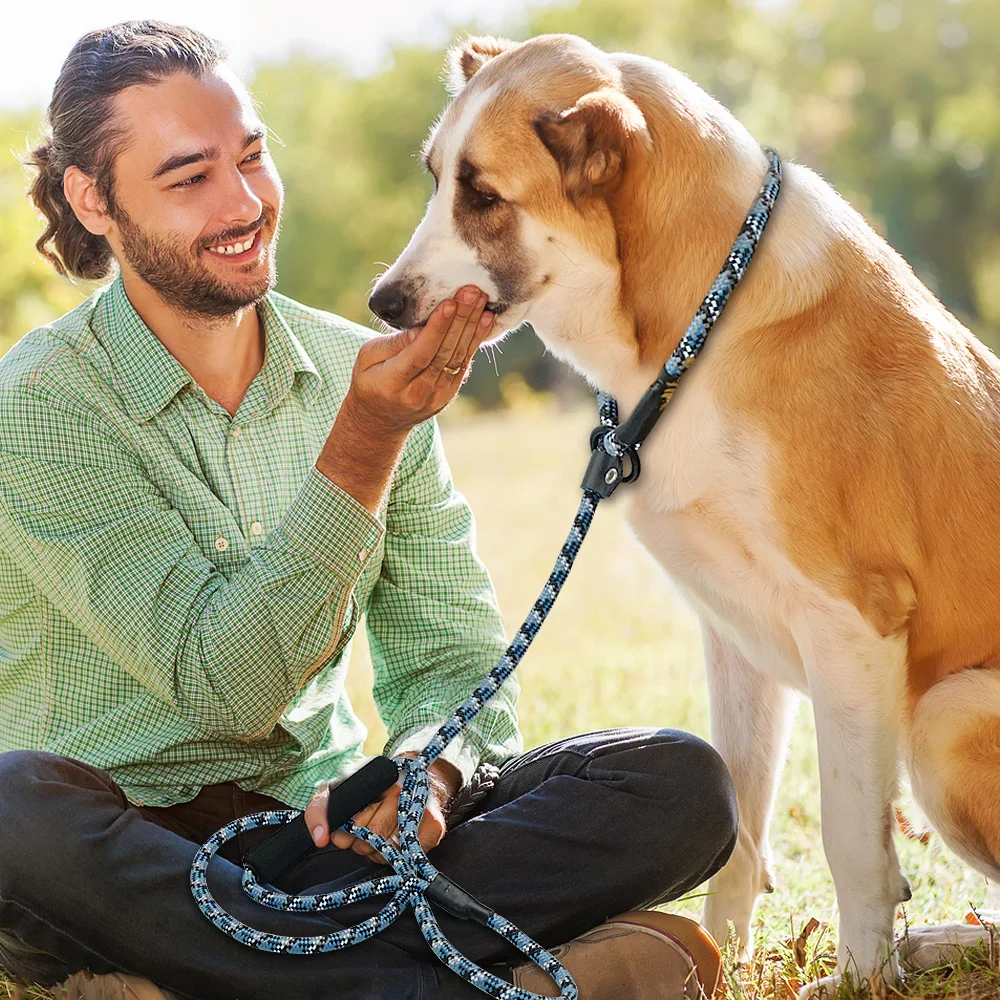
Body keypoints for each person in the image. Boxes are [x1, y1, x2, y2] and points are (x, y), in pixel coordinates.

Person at [0, 20, 738, 1000]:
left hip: (323, 838)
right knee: (11, 809)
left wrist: (426, 772)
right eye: (189, 179)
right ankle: (445, 978)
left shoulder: (356, 368)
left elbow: (448, 663)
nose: (244, 204)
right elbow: (225, 687)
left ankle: (228, 981)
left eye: (252, 159)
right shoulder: (43, 407)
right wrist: (361, 446)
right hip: (127, 861)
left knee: (678, 783)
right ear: (93, 200)